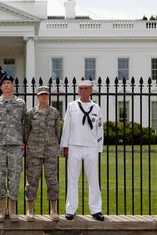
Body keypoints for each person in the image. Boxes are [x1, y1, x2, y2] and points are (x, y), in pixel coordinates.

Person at [60, 80, 105, 221]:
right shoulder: (71, 106)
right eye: (81, 88)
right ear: (77, 90)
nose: (84, 90)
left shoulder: (96, 107)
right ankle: (70, 209)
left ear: (91, 90)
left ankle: (96, 209)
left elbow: (100, 128)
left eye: (86, 88)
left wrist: (99, 147)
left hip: (91, 147)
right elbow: (66, 127)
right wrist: (65, 146)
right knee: (72, 179)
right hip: (74, 146)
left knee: (93, 179)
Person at [0, 74, 26, 222]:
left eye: (9, 83)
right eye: (4, 83)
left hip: (15, 145)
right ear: (0, 86)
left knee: (15, 177)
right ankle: (1, 209)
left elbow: (24, 124)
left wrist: (23, 142)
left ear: (13, 85)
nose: (7, 85)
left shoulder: (20, 103)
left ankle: (12, 209)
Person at [24, 86, 60, 222]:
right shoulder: (31, 113)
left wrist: (55, 146)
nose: (43, 97)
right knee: (32, 180)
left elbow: (58, 131)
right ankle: (30, 209)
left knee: (52, 180)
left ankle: (54, 209)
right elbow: (26, 131)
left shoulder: (55, 113)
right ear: (37, 96)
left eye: (45, 94)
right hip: (34, 150)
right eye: (41, 95)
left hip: (50, 150)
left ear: (48, 96)